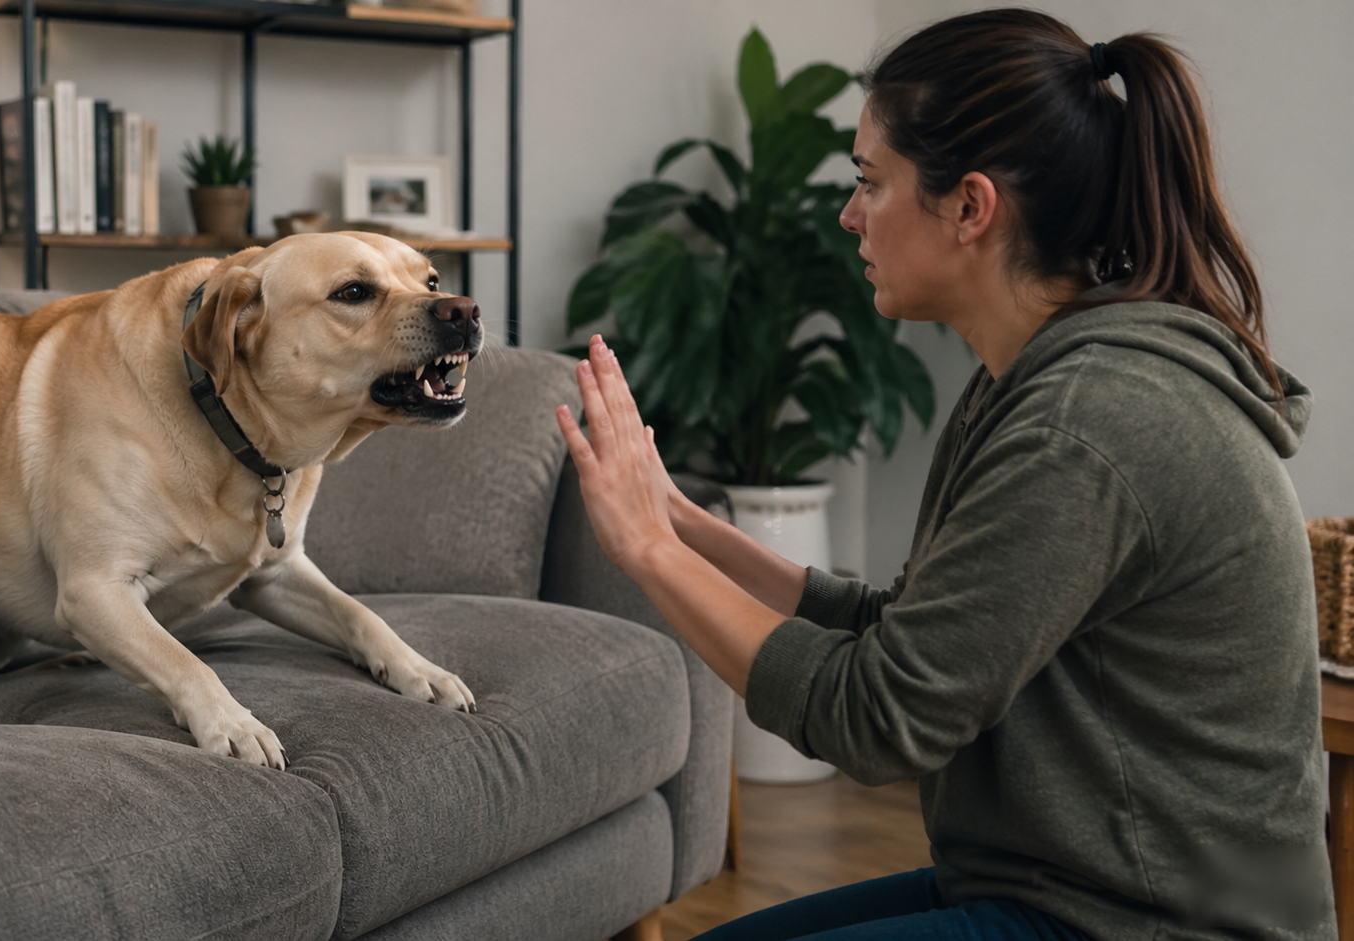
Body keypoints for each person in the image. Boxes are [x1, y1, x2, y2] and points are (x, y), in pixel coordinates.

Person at [555, 9, 1332, 940]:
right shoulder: (1036, 378)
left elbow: (879, 719)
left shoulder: (1091, 420)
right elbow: (913, 638)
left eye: (869, 183)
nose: (849, 214)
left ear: (970, 206)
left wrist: (644, 549)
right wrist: (683, 523)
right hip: (1056, 888)